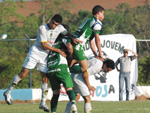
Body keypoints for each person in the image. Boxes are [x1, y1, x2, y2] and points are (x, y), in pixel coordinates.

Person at [3, 14, 80, 112]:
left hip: (45, 56)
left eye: (56, 25)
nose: (54, 26)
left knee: (45, 77)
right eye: (53, 23)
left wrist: (72, 38)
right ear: (51, 20)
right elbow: (44, 45)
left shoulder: (60, 28)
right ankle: (8, 92)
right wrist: (58, 50)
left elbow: (66, 33)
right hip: (36, 52)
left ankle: (43, 102)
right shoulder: (42, 28)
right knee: (24, 73)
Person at [68, 5, 105, 97]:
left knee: (83, 66)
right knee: (84, 68)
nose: (103, 16)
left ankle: (69, 67)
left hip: (73, 42)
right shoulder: (97, 23)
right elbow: (97, 40)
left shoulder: (88, 20)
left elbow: (91, 40)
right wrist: (101, 54)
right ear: (98, 13)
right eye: (103, 14)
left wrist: (95, 54)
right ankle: (68, 70)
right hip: (78, 45)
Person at [46, 26, 78, 113]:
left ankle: (53, 111)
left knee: (55, 93)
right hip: (61, 66)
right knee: (69, 89)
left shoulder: (51, 41)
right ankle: (73, 104)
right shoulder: (64, 38)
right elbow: (69, 47)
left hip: (50, 68)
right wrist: (70, 55)